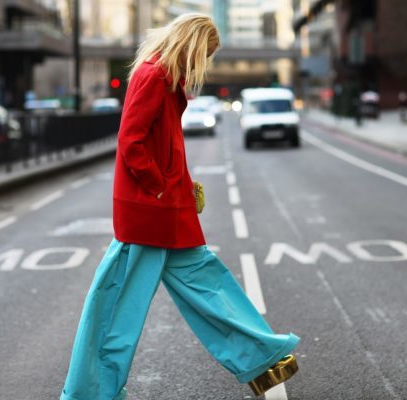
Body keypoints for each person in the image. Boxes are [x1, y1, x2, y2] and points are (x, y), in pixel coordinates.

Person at [59, 14, 300, 400]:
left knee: (206, 283)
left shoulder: (165, 78)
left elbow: (164, 144)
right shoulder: (154, 76)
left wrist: (184, 186)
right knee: (116, 310)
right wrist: (159, 188)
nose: (204, 63)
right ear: (190, 43)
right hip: (148, 213)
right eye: (205, 53)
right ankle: (89, 392)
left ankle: (262, 357)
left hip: (168, 209)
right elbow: (131, 141)